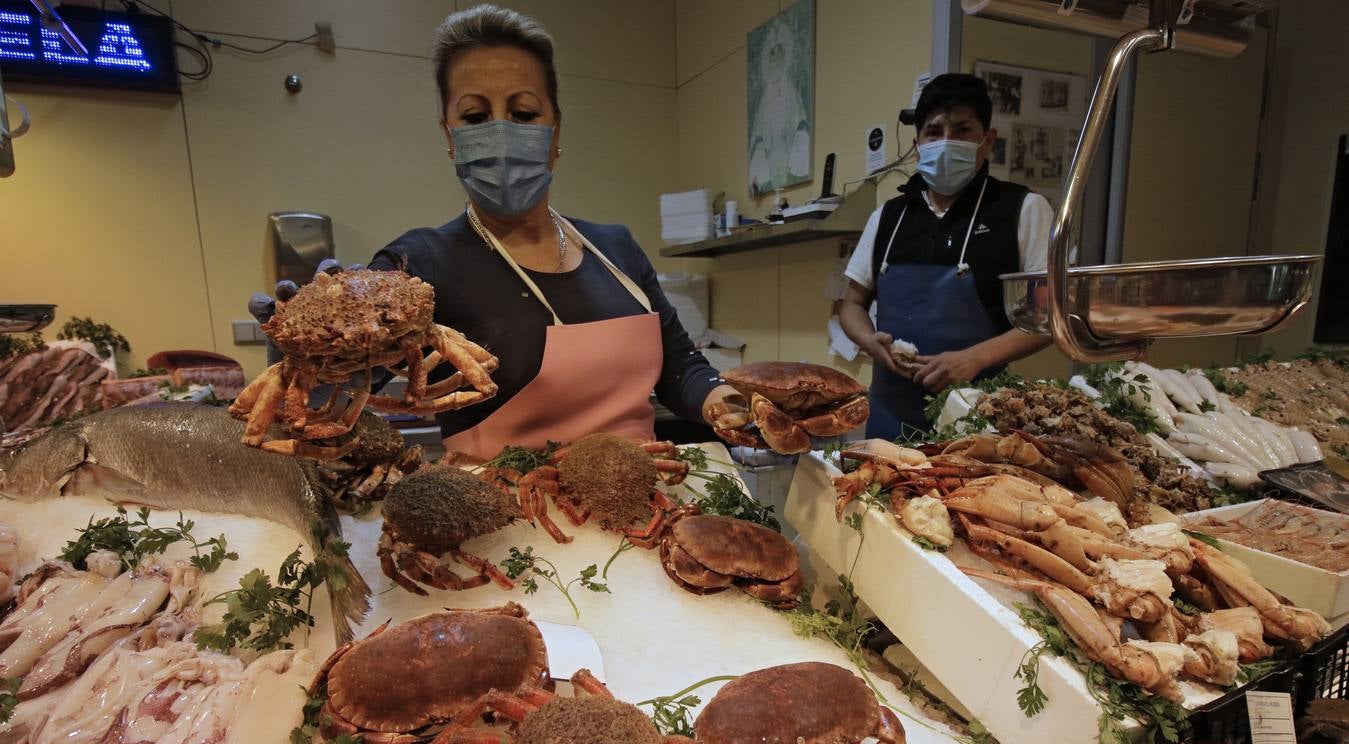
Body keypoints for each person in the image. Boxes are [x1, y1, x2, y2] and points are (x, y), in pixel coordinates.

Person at [358, 4, 744, 459]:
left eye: (523, 113)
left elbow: (680, 368)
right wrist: (320, 356)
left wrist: (731, 405)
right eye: (476, 117)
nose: (501, 132)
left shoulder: (615, 247)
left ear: (555, 130)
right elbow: (338, 392)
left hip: (643, 502)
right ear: (450, 138)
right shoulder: (418, 264)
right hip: (503, 518)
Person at [837, 73, 1053, 438]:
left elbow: (1049, 319)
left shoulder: (1025, 210)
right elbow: (851, 305)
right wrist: (869, 341)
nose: (946, 141)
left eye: (963, 130)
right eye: (934, 132)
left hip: (982, 422)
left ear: (987, 141)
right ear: (918, 142)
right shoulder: (888, 216)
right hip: (890, 418)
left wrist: (976, 358)